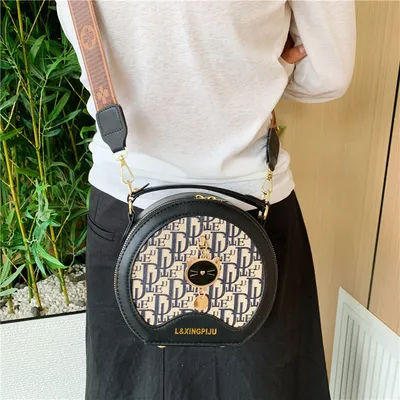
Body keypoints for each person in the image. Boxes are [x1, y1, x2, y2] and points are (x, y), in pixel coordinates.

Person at [56, 1, 356, 399]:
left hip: (126, 203)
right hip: (255, 207)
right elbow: (329, 73)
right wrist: (261, 75)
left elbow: (89, 46)